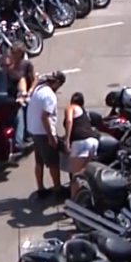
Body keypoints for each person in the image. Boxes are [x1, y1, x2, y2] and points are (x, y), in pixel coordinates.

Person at [26, 70, 67, 199]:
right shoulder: (50, 96)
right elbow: (45, 117)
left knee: (39, 161)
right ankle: (58, 189)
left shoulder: (39, 89)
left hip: (33, 130)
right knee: (53, 162)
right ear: (57, 83)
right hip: (43, 133)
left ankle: (41, 188)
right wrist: (51, 137)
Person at [63, 92, 99, 198]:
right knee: (85, 174)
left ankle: (74, 203)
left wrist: (67, 139)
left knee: (76, 176)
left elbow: (69, 121)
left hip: (80, 142)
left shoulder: (71, 107)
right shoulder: (84, 112)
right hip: (92, 142)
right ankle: (88, 197)